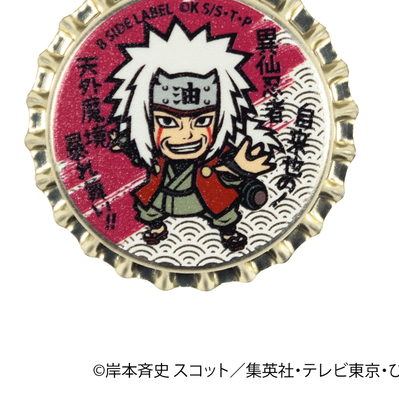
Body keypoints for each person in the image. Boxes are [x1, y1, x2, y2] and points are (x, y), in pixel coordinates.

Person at [108, 18, 280, 252]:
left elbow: (229, 173)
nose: (186, 135)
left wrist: (240, 170)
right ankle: (157, 227)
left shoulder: (220, 153)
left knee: (223, 210)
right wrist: (126, 143)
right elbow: (140, 154)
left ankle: (228, 232)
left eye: (202, 121)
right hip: (165, 194)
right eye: (167, 122)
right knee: (149, 208)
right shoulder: (153, 151)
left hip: (204, 197)